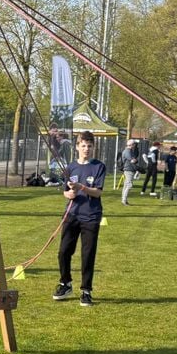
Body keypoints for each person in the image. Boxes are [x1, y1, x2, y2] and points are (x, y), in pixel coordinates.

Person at [52, 131, 105, 307]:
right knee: (63, 252)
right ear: (77, 147)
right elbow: (65, 192)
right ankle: (65, 283)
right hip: (72, 215)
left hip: (91, 216)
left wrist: (82, 187)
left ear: (93, 147)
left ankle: (86, 291)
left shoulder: (99, 166)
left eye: (89, 146)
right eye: (83, 145)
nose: (86, 149)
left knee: (87, 254)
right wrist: (69, 193)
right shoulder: (70, 167)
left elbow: (97, 192)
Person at [119, 139, 140, 205]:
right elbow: (132, 160)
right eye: (134, 144)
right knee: (129, 185)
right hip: (128, 170)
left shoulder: (129, 151)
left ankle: (124, 200)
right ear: (132, 145)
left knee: (126, 185)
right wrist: (136, 160)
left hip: (128, 169)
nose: (135, 145)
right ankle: (124, 200)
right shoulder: (127, 151)